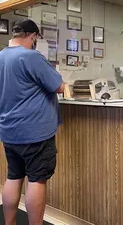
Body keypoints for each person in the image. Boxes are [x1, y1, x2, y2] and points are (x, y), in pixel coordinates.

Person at [0, 19, 64, 225]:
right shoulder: (31, 56)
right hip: (35, 132)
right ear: (33, 36)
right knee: (37, 180)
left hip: (9, 132)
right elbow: (59, 86)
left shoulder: (0, 57)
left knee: (14, 176)